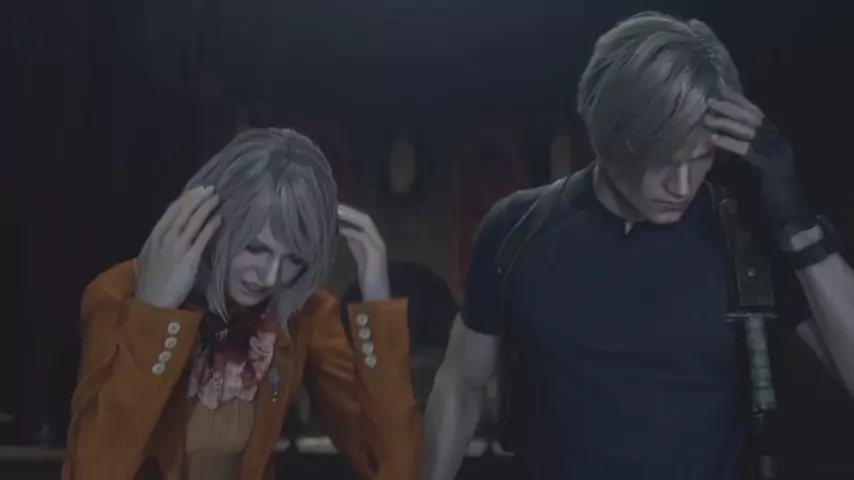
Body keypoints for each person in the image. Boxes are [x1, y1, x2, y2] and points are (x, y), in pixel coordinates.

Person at [423, 11, 854, 480]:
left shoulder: (745, 239)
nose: (682, 185)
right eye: (662, 161)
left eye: (701, 157)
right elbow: (461, 386)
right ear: (609, 140)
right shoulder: (515, 229)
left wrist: (799, 227)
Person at [62, 128, 424, 480]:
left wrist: (377, 302)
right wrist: (154, 316)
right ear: (210, 222)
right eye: (255, 248)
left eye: (294, 259)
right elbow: (92, 472)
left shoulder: (305, 311)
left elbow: (394, 467)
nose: (270, 276)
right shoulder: (116, 294)